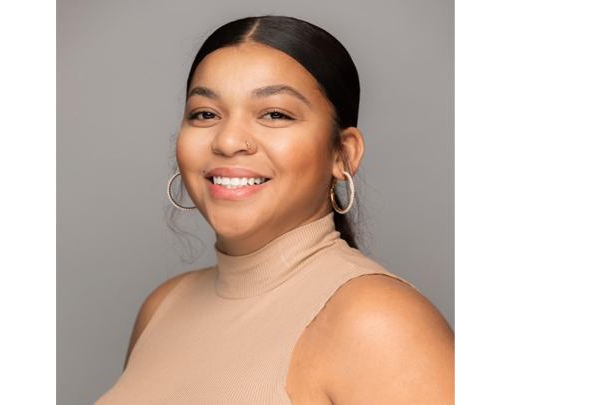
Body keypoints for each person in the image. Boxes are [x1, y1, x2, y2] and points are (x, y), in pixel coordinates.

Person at [95, 15, 454, 405]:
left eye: (275, 114)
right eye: (205, 114)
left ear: (343, 154)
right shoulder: (162, 307)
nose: (229, 140)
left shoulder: (378, 322)